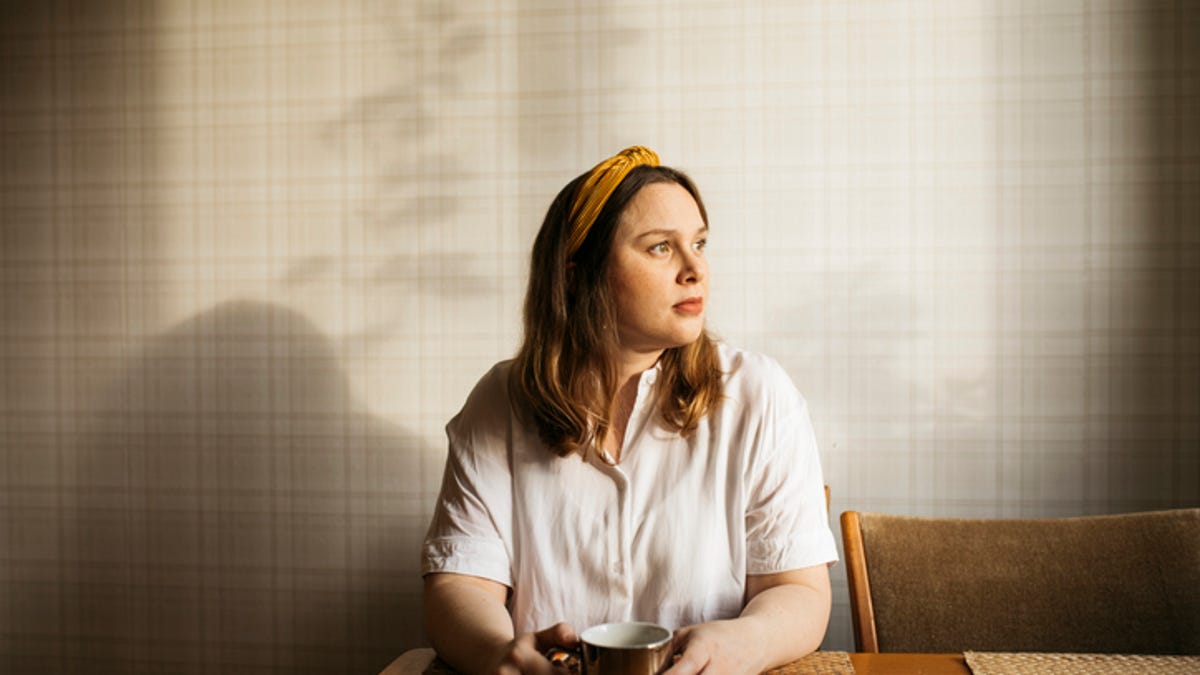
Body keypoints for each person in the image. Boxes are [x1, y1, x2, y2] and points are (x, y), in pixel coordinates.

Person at [421, 147, 837, 675]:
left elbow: (797, 589)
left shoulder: (759, 394)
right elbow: (459, 584)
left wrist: (743, 643)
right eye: (661, 247)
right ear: (576, 274)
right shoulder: (499, 401)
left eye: (700, 244)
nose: (695, 270)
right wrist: (496, 655)